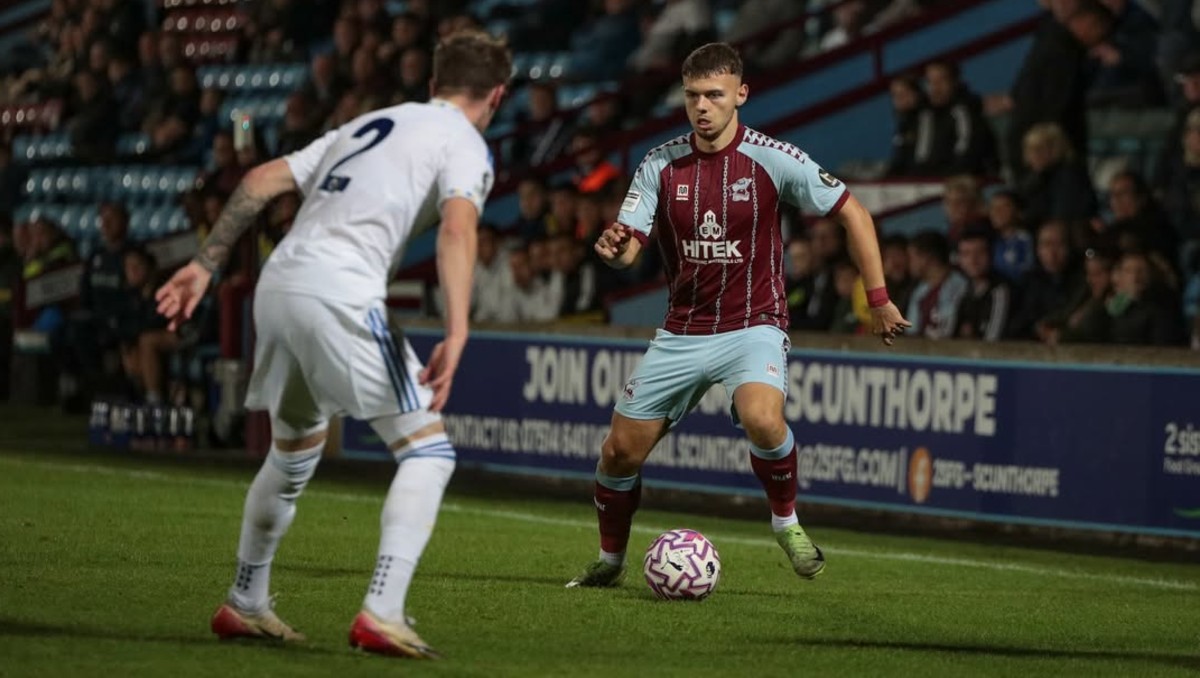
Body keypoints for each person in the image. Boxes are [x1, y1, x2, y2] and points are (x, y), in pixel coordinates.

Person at [154, 30, 511, 659]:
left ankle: (245, 601)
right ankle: (383, 611)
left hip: (278, 285)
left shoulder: (368, 123)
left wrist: (205, 264)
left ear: (432, 84)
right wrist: (458, 330)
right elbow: (458, 230)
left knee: (293, 453)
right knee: (429, 452)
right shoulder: (464, 141)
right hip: (339, 291)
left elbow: (260, 179)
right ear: (498, 96)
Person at [566, 43, 910, 589]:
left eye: (714, 95)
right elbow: (629, 246)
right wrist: (614, 248)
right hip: (682, 331)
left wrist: (878, 297)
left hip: (754, 323)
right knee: (618, 453)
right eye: (692, 96)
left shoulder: (773, 159)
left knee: (763, 419)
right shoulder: (659, 163)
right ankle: (610, 561)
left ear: (741, 94)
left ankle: (787, 523)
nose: (702, 107)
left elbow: (855, 213)